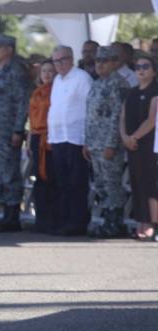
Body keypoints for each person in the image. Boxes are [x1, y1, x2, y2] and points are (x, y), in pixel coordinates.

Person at [0, 34, 31, 232]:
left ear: (9, 49)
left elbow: (22, 103)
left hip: (9, 132)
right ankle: (5, 213)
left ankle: (13, 216)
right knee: (0, 173)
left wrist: (19, 129)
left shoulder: (16, 72)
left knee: (10, 173)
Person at [83, 46, 131, 238]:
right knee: (101, 185)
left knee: (112, 184)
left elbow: (118, 117)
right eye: (97, 61)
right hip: (95, 142)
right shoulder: (96, 84)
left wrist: (111, 143)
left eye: (104, 61)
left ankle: (115, 223)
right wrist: (86, 142)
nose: (100, 65)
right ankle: (108, 220)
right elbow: (89, 116)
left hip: (109, 144)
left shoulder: (119, 85)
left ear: (114, 62)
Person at [47, 45, 93, 236]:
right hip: (58, 138)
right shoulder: (57, 79)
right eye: (55, 61)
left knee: (77, 183)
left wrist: (86, 140)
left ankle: (77, 223)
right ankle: (65, 221)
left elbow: (89, 110)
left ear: (71, 58)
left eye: (62, 59)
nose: (59, 64)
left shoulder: (82, 78)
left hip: (76, 139)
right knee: (62, 183)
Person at [120, 54, 158, 240]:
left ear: (154, 71)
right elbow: (123, 117)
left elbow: (151, 120)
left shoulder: (155, 91)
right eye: (137, 67)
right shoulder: (131, 92)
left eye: (146, 66)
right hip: (132, 144)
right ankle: (141, 221)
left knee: (151, 184)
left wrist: (133, 137)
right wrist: (125, 137)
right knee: (137, 183)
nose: (141, 70)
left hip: (149, 144)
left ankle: (152, 223)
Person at [28, 59, 59, 234]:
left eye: (50, 71)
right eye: (44, 71)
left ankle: (53, 220)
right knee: (39, 181)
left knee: (51, 179)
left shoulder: (57, 91)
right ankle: (41, 219)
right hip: (36, 137)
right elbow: (31, 118)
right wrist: (29, 137)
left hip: (50, 139)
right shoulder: (36, 92)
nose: (47, 74)